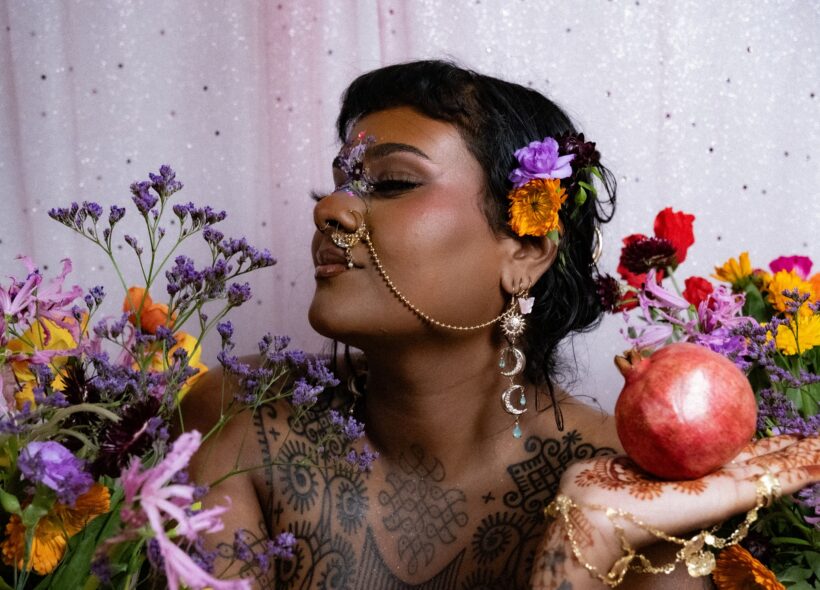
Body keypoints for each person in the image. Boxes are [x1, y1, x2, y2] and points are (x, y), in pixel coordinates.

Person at [184, 60, 820, 589]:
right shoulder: (240, 424)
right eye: (339, 186)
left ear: (526, 252)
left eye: (393, 182)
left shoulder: (634, 496)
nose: (331, 209)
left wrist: (583, 547)